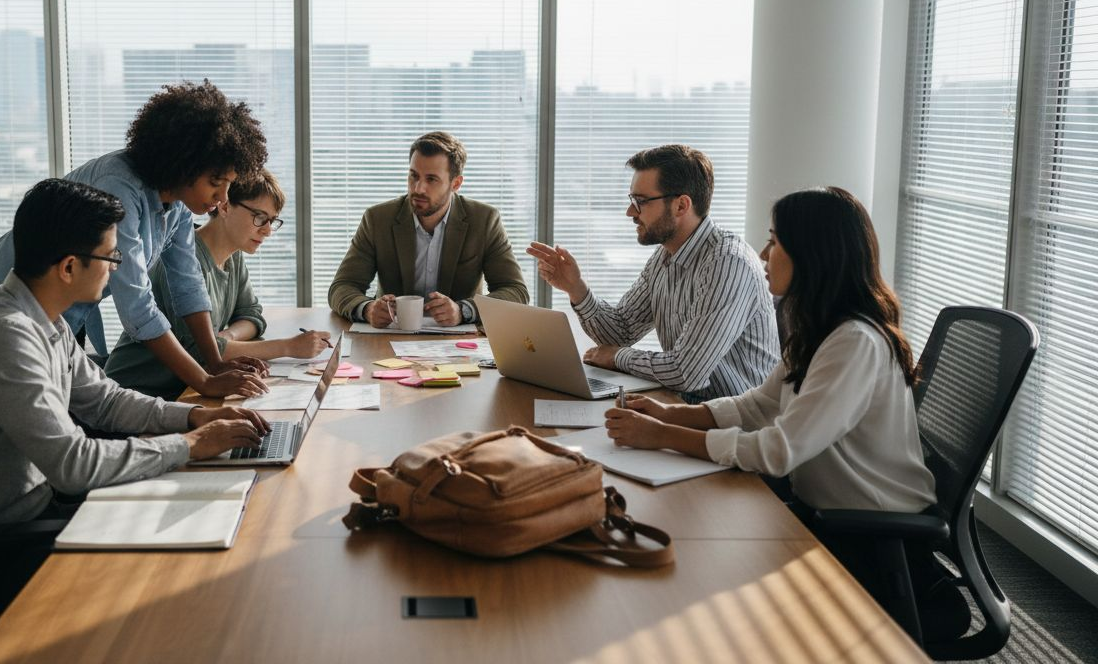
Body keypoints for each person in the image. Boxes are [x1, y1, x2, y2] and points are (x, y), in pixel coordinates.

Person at [0, 179, 271, 654]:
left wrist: (190, 419)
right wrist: (188, 447)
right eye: (111, 257)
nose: (117, 267)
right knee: (174, 587)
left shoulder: (44, 317)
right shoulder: (7, 336)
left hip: (24, 516)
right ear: (69, 267)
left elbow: (104, 401)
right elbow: (74, 465)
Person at [601, 187, 957, 634]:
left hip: (869, 536)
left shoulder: (854, 342)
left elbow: (778, 451)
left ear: (812, 253)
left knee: (698, 582)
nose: (765, 253)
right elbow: (758, 406)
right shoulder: (820, 327)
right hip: (823, 508)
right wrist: (667, 414)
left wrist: (661, 436)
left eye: (776, 241)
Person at [0, 80, 268, 399]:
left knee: (68, 394)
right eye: (216, 183)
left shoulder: (178, 201)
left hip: (69, 294)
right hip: (13, 286)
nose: (223, 198)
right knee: (41, 398)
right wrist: (205, 381)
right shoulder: (120, 189)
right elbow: (137, 304)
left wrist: (215, 362)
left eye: (228, 185)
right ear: (186, 164)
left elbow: (188, 281)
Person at [528, 143, 777, 401]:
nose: (630, 212)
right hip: (690, 412)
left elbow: (685, 371)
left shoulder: (728, 263)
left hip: (738, 429)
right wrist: (576, 288)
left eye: (641, 201)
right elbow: (620, 332)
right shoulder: (665, 256)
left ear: (681, 206)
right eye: (631, 200)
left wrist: (618, 357)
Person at [105, 170, 332, 397]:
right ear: (224, 206)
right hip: (138, 393)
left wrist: (229, 336)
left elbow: (252, 315)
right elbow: (199, 351)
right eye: (260, 217)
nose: (267, 231)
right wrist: (288, 347)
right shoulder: (180, 260)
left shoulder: (234, 254)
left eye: (272, 221)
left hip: (184, 389)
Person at [328, 131, 529, 326]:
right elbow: (342, 287)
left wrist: (463, 311)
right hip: (390, 336)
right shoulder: (378, 219)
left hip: (458, 342)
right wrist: (367, 308)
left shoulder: (484, 221)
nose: (418, 188)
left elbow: (515, 291)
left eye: (431, 179)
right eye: (413, 176)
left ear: (456, 183)